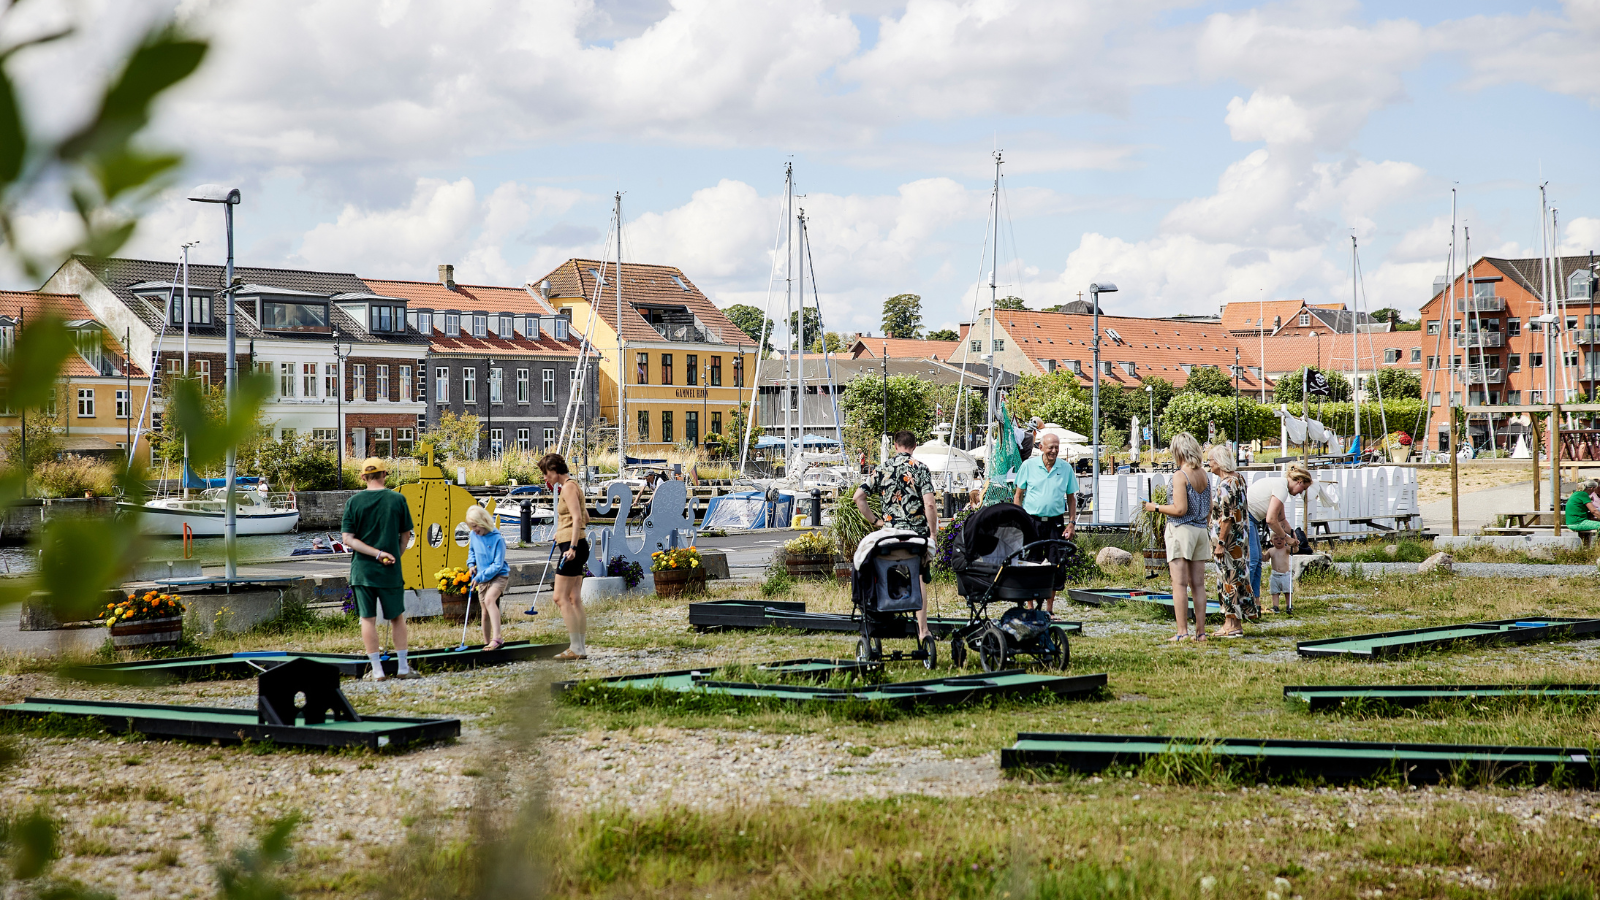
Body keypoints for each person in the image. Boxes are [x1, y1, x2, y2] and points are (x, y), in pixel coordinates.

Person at [853, 430, 938, 640]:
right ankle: (923, 631)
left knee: (884, 572)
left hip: (889, 536)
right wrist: (933, 534)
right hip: (915, 538)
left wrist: (876, 521)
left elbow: (858, 497)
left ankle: (884, 622)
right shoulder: (920, 468)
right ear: (914, 446)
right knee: (918, 577)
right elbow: (929, 504)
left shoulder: (882, 469)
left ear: (895, 445)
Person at [341, 458, 416, 681]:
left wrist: (375, 554)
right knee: (396, 618)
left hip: (363, 571)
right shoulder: (398, 499)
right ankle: (403, 667)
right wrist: (391, 556)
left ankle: (377, 670)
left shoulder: (353, 502)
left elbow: (348, 539)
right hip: (390, 570)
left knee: (367, 619)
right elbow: (405, 537)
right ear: (385, 474)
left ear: (363, 477)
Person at [1143, 432, 1210, 643]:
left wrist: (1154, 507)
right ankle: (1201, 632)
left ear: (1178, 451)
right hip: (1200, 530)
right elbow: (1208, 509)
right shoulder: (1204, 474)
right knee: (1198, 585)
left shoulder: (1180, 475)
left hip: (1182, 530)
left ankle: (1182, 632)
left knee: (1179, 584)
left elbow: (1180, 509)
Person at [1013, 432, 1079, 613]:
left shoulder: (1065, 468)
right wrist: (1019, 521)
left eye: (1056, 447)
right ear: (1041, 447)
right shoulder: (1028, 466)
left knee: (1054, 565)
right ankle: (1030, 608)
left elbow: (1072, 498)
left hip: (1055, 523)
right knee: (1029, 564)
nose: (1054, 451)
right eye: (1050, 447)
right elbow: (1018, 495)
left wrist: (1071, 523)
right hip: (1032, 521)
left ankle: (1049, 610)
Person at [541, 452, 589, 660]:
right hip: (574, 543)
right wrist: (561, 533)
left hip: (572, 548)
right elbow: (585, 516)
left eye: (545, 473)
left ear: (553, 470)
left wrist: (572, 547)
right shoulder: (574, 486)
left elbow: (578, 518)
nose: (544, 478)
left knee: (559, 597)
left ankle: (576, 648)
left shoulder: (568, 487)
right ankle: (580, 648)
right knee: (574, 599)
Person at [1206, 443, 1257, 637]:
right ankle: (1233, 622)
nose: (1209, 464)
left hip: (1229, 541)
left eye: (1210, 460)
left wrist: (1220, 542)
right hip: (1240, 538)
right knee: (1237, 578)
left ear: (1219, 462)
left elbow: (1226, 517)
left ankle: (1231, 624)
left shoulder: (1225, 484)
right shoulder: (1239, 479)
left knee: (1228, 580)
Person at [1245, 462, 1314, 603]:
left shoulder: (1282, 487)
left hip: (1252, 518)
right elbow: (1271, 520)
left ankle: (1255, 602)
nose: (1302, 492)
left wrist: (1292, 533)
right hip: (1246, 517)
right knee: (1253, 560)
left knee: (1257, 561)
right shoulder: (1281, 488)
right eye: (1303, 488)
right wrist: (1286, 539)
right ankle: (1244, 601)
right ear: (1299, 482)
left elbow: (1281, 519)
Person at [463, 505, 508, 651]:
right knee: (484, 610)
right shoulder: (473, 535)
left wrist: (481, 576)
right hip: (482, 577)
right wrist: (471, 565)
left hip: (499, 575)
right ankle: (487, 642)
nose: (474, 529)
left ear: (483, 522)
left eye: (475, 526)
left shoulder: (497, 538)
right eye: (471, 527)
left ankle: (497, 637)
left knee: (489, 600)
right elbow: (472, 552)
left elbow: (497, 564)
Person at [1266, 533, 1294, 614]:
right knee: (1275, 592)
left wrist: (1294, 543)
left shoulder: (1286, 549)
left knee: (1288, 591)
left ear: (1285, 540)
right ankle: (1275, 606)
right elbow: (1264, 558)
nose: (1279, 540)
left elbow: (1295, 550)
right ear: (1271, 541)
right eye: (1276, 538)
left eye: (1281, 538)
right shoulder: (1271, 550)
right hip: (1275, 575)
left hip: (1285, 574)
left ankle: (1289, 605)